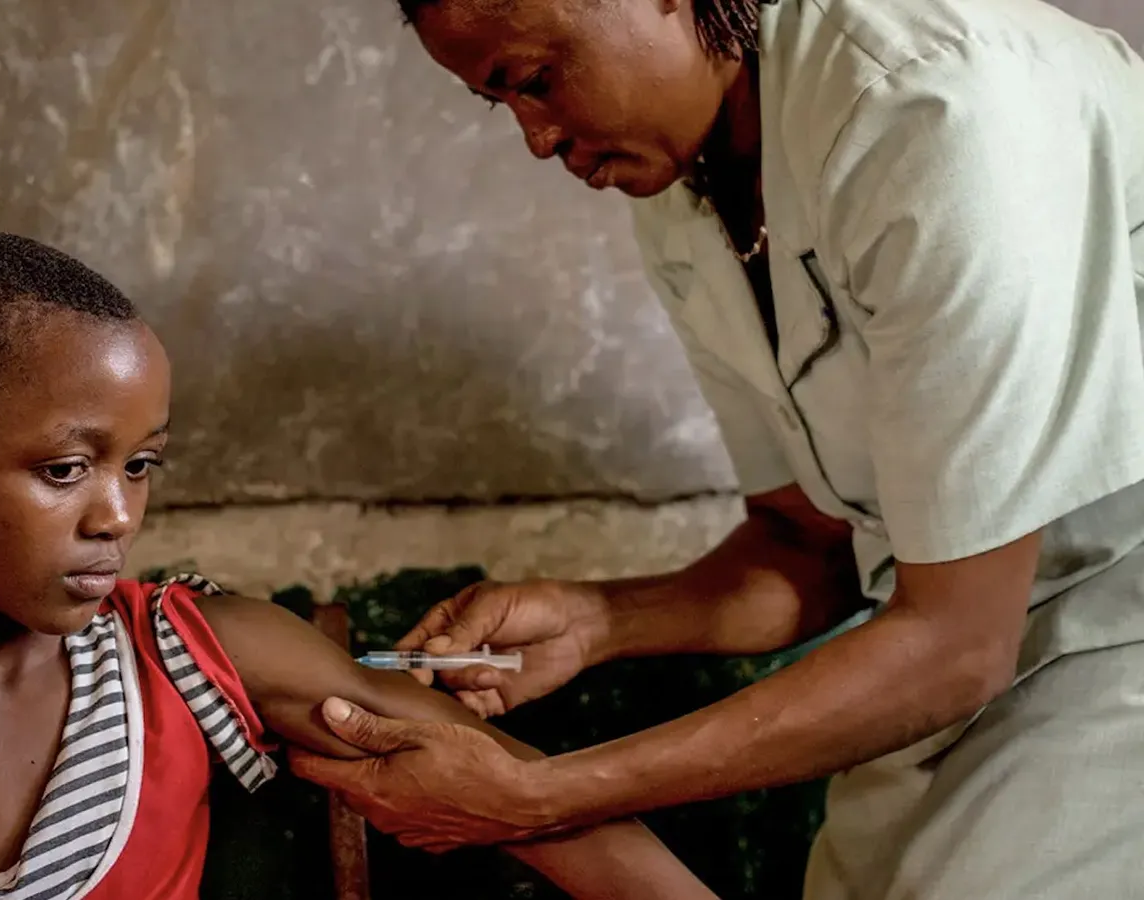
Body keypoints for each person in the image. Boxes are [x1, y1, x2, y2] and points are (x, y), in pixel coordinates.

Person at [288, 0, 1144, 896]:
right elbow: (810, 544)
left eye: (537, 80)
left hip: (1108, 639)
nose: (538, 140)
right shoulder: (686, 185)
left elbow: (960, 641)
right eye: (499, 103)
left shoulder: (934, 108)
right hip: (948, 669)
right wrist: (597, 621)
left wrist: (541, 798)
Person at [0, 232, 715, 899]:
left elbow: (542, 808)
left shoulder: (192, 655)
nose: (117, 515)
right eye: (64, 469)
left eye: (141, 465)